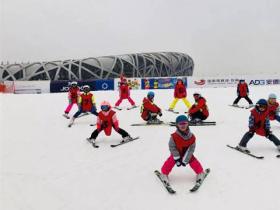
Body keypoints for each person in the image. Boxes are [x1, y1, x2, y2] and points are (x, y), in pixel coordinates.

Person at [158, 115, 207, 184]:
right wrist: (177, 157)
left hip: (187, 153)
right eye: (180, 124)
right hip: (177, 153)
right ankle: (164, 174)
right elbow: (172, 147)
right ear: (177, 125)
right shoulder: (174, 136)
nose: (183, 125)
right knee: (170, 161)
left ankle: (200, 173)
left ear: (188, 124)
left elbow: (191, 148)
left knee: (193, 161)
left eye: (185, 123)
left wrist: (186, 159)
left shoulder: (192, 137)